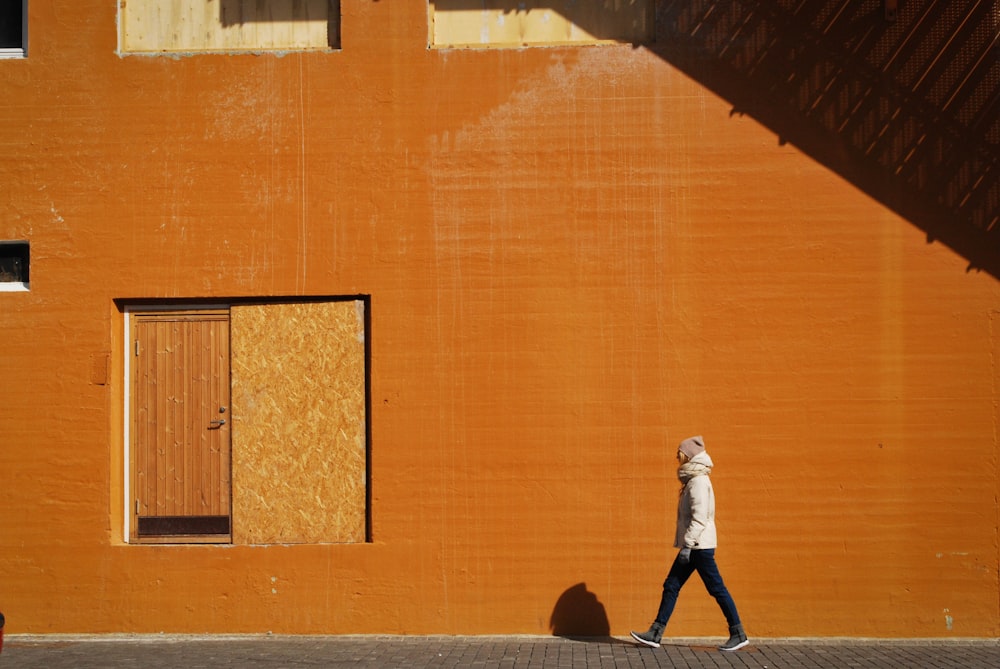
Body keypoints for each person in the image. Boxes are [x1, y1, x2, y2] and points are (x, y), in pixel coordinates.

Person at [630, 435, 749, 652]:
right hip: (695, 545)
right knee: (672, 586)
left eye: (680, 452)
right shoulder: (693, 480)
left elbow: (699, 517)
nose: (677, 456)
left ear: (689, 455)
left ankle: (738, 633)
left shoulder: (698, 482)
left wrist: (687, 545)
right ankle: (656, 633)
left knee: (716, 589)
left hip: (698, 547)